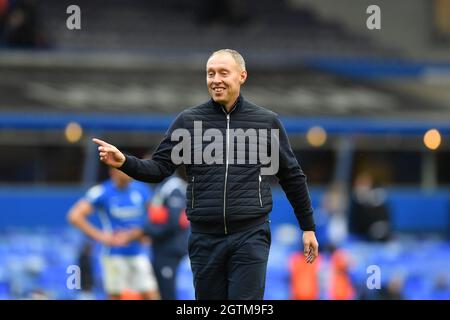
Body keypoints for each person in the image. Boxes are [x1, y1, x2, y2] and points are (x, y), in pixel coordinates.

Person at [93, 49, 319, 300]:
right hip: (204, 238)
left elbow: (292, 177)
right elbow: (159, 169)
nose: (216, 79)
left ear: (242, 76)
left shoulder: (266, 122)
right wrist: (125, 162)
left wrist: (307, 227)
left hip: (250, 235)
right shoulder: (188, 121)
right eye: (211, 73)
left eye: (224, 72)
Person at [67, 167, 160, 300]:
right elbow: (74, 216)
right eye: (124, 169)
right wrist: (101, 236)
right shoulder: (102, 191)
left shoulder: (141, 189)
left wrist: (142, 234)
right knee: (116, 295)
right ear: (113, 172)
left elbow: (154, 216)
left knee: (150, 294)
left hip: (139, 252)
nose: (129, 172)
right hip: (114, 254)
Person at [117, 172, 190, 300]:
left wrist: (144, 231)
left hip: (170, 249)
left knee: (167, 293)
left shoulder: (173, 186)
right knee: (160, 291)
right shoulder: (163, 185)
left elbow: (173, 223)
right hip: (163, 247)